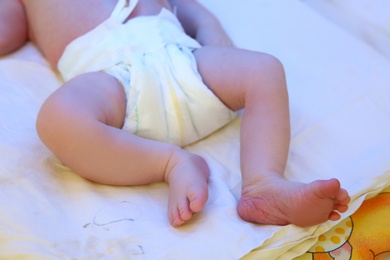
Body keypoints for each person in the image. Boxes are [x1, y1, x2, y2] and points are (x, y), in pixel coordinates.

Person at [0, 0, 350, 227]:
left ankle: (263, 184)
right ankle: (170, 163)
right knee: (57, 119)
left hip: (187, 63)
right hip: (114, 86)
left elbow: (194, 12)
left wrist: (219, 49)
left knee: (265, 69)